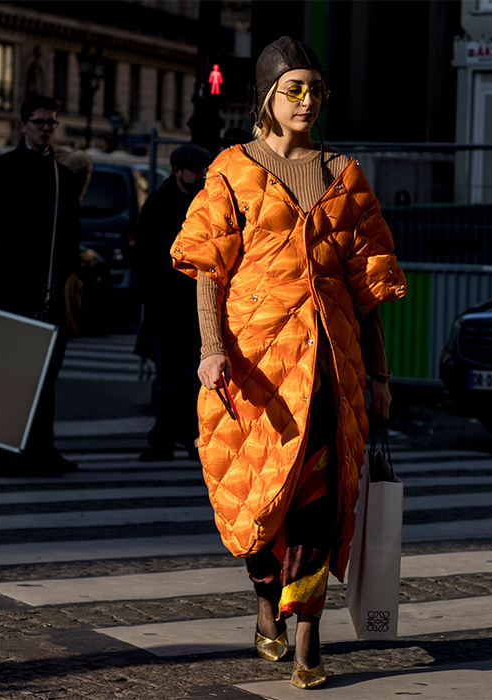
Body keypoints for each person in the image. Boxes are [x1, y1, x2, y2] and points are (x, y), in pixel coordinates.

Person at [171, 37, 406, 689]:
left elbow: (370, 293)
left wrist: (380, 376)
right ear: (267, 98)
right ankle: (264, 598)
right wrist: (211, 350)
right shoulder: (230, 171)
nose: (305, 101)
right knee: (255, 502)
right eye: (292, 89)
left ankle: (307, 634)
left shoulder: (348, 176)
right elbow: (206, 273)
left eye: (313, 89)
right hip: (253, 369)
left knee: (317, 502)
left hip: (332, 365)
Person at [0, 95, 81, 478]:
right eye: (39, 121)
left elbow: (70, 235)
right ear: (23, 125)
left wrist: (66, 277)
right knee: (8, 374)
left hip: (47, 289)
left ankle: (41, 450)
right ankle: (4, 452)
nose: (46, 128)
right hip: (7, 286)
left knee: (46, 375)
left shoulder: (62, 176)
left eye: (52, 122)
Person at [133, 144, 213, 462]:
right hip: (169, 305)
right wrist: (149, 299)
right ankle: (167, 439)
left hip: (191, 303)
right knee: (169, 376)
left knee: (192, 376)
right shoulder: (160, 204)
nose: (199, 176)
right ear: (178, 170)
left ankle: (182, 437)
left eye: (201, 170)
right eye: (194, 170)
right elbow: (145, 257)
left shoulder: (197, 200)